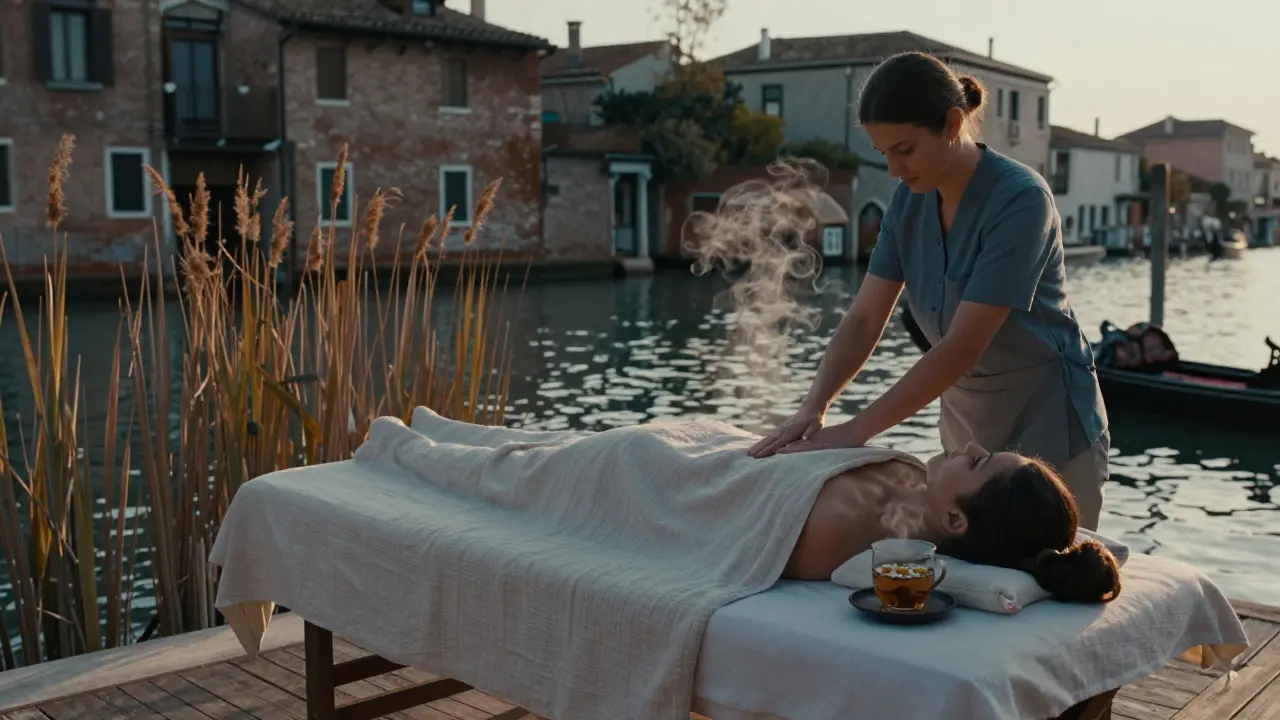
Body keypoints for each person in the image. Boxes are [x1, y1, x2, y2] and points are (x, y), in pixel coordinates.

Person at [748, 51, 1110, 531]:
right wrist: (814, 408)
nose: (895, 170)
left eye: (905, 149)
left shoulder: (1021, 200)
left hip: (1048, 416)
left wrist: (856, 432)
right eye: (884, 154)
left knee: (1052, 572)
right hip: (966, 428)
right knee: (970, 568)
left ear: (953, 123)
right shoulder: (909, 202)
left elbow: (961, 347)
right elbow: (863, 319)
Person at [782, 441, 1123, 605]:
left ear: (954, 519)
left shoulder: (836, 527)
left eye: (977, 461)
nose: (971, 445)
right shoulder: (917, 488)